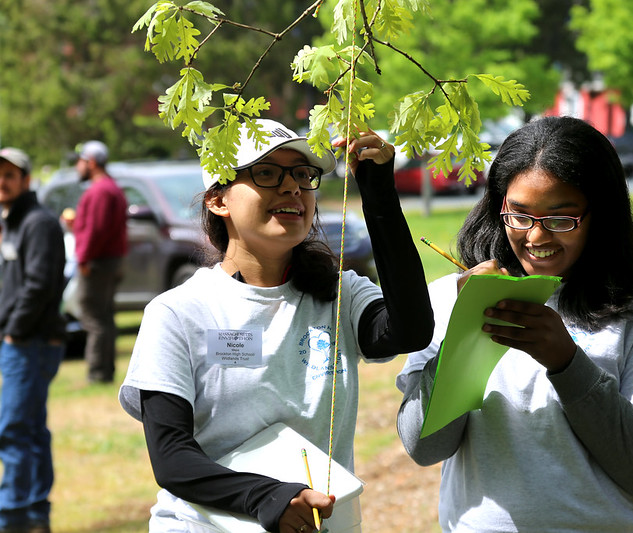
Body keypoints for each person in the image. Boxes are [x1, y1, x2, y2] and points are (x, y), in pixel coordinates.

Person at [119, 119, 434, 532]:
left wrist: (379, 192)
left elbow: (410, 330)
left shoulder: (341, 295)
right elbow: (173, 458)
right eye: (266, 173)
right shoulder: (179, 312)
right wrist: (270, 497)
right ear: (218, 200)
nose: (293, 188)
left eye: (304, 175)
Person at [396, 116, 633, 532]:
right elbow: (424, 446)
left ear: (601, 214)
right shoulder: (454, 296)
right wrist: (465, 336)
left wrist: (567, 362)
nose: (536, 238)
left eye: (560, 219)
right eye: (519, 216)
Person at [0, 147, 66, 533]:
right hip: (24, 340)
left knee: (13, 429)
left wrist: (14, 332)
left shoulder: (37, 222)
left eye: (10, 175)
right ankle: (36, 514)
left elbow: (39, 286)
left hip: (31, 342)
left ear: (26, 180)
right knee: (30, 429)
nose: (2, 182)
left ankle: (11, 517)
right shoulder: (14, 220)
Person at [72, 140, 127, 383]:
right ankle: (105, 372)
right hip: (109, 260)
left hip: (97, 263)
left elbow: (96, 230)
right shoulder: (111, 187)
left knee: (93, 318)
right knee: (104, 317)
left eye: (80, 161)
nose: (77, 166)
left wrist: (83, 258)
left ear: (91, 162)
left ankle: (96, 374)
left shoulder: (99, 190)